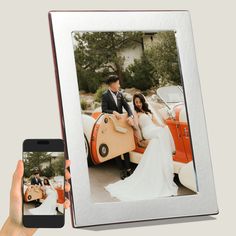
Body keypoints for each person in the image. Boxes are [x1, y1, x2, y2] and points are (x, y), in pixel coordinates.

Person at [104, 92, 178, 201]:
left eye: (139, 102)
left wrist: (162, 125)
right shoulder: (136, 112)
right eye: (136, 102)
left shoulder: (147, 111)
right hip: (147, 131)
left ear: (143, 101)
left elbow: (156, 122)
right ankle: (172, 151)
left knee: (161, 135)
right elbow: (136, 126)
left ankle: (160, 169)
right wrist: (139, 136)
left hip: (154, 129)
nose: (138, 104)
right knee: (162, 132)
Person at [0, 160, 71, 236]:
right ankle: (40, 204)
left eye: (38, 174)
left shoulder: (41, 180)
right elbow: (35, 185)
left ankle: (45, 206)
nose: (37, 175)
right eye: (36, 174)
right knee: (43, 196)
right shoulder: (33, 179)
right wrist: (15, 225)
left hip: (43, 191)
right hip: (37, 190)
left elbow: (42, 185)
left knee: (50, 196)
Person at [101, 75, 135, 180]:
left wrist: (130, 115)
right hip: (112, 125)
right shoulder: (105, 95)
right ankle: (121, 170)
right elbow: (104, 110)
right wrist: (114, 112)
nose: (119, 85)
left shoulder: (120, 94)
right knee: (116, 147)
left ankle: (129, 169)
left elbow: (127, 106)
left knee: (124, 146)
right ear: (113, 84)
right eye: (118, 83)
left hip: (121, 123)